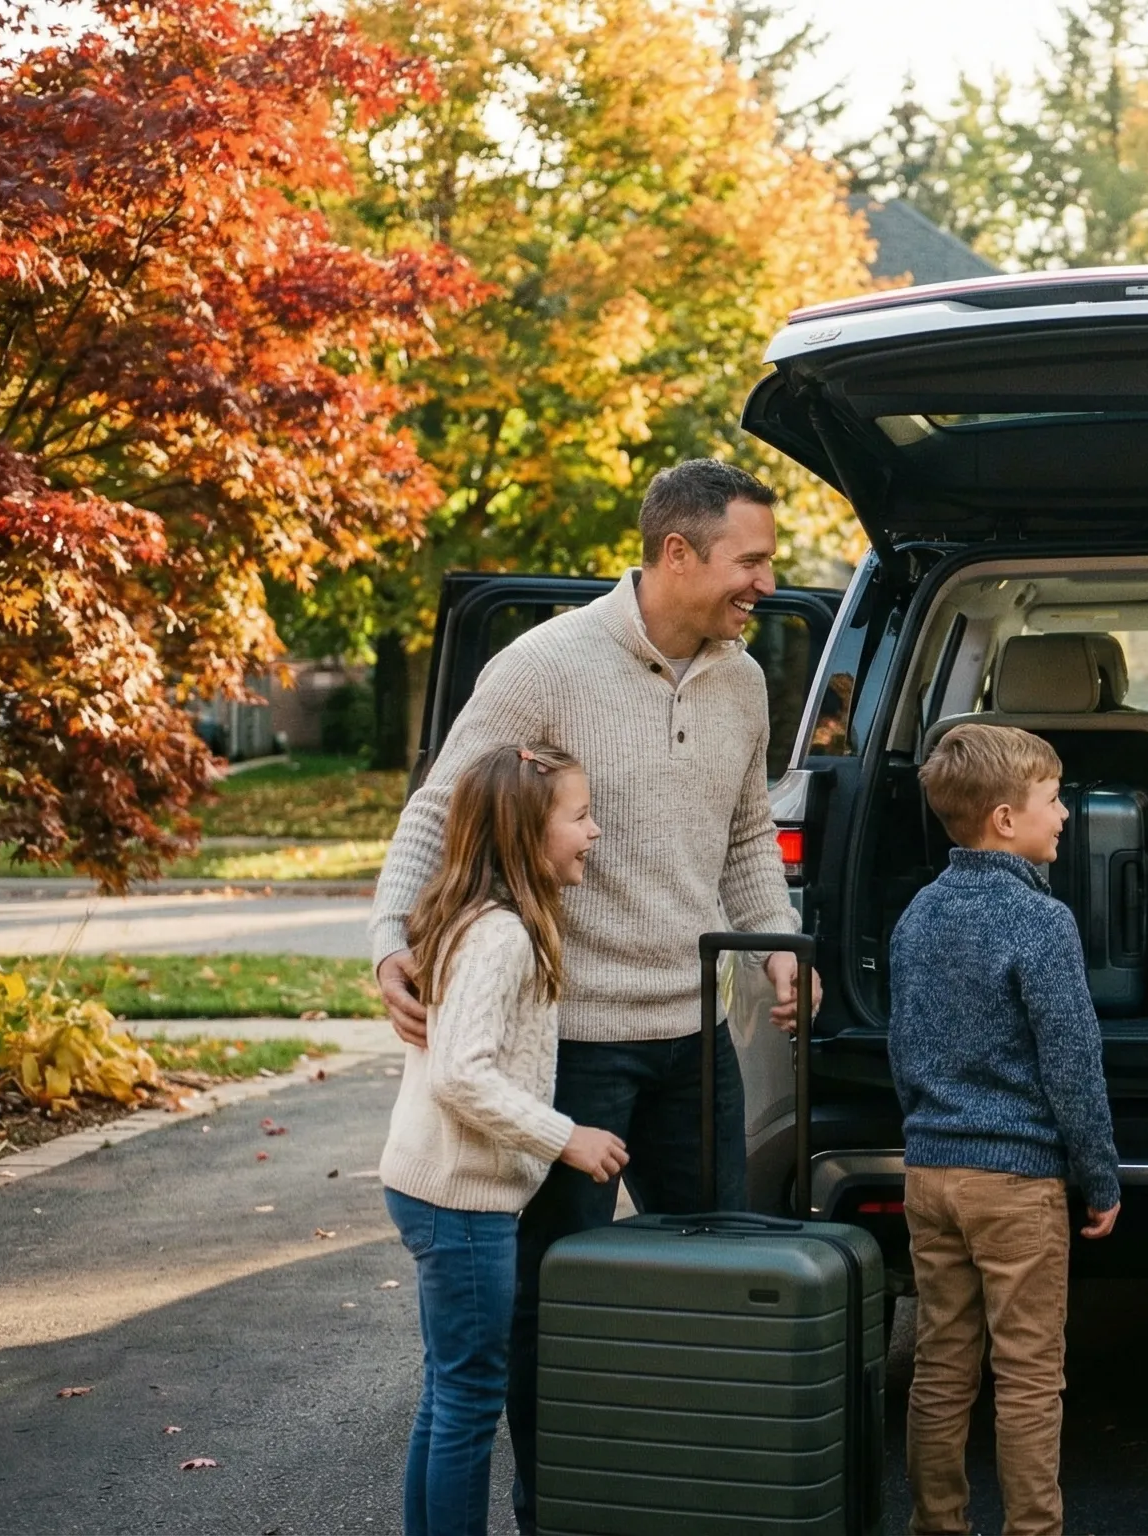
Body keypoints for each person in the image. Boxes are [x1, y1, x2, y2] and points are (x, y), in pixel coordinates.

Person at [365, 460, 809, 1534]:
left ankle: (681, 1498)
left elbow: (749, 835)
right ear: (676, 553)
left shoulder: (743, 678)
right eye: (749, 560)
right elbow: (441, 810)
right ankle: (552, 1512)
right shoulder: (546, 665)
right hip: (571, 1053)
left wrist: (777, 943)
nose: (764, 582)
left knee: (715, 1288)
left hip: (693, 1041)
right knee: (548, 1317)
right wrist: (387, 938)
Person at [377, 743, 629, 1536]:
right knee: (471, 1399)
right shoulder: (502, 938)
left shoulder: (475, 918)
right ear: (527, 831)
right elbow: (461, 1075)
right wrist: (568, 1138)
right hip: (463, 1199)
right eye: (580, 817)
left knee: (448, 1392)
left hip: (434, 1186)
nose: (594, 833)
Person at [888, 723, 1123, 1536]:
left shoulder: (918, 914)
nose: (1064, 816)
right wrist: (1099, 1177)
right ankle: (1032, 1529)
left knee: (940, 1365)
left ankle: (937, 1523)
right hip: (1016, 1184)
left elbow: (903, 1045)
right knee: (1027, 1374)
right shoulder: (1040, 922)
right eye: (1053, 801)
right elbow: (1072, 1065)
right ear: (1003, 820)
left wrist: (925, 1133)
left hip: (930, 1174)